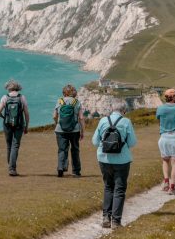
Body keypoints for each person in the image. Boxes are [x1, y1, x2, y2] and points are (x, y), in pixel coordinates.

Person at [92, 101, 137, 229]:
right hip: (122, 160)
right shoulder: (126, 122)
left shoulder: (103, 121)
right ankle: (116, 221)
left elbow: (95, 141)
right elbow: (133, 142)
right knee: (119, 189)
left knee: (108, 186)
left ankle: (106, 217)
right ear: (124, 110)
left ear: (112, 109)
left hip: (104, 159)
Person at [0, 79, 30, 176]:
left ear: (8, 88)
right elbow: (26, 114)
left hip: (7, 124)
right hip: (19, 124)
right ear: (18, 87)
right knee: (15, 145)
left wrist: (4, 118)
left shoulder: (4, 97)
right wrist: (26, 126)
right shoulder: (22, 97)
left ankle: (10, 167)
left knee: (9, 145)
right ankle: (12, 168)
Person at [156, 88, 175, 195]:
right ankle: (172, 188)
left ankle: (166, 182)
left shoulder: (160, 108)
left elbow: (159, 123)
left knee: (165, 160)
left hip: (163, 136)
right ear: (173, 97)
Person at [52, 84, 86, 177]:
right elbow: (81, 118)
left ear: (64, 93)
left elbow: (54, 116)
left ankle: (61, 167)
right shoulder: (76, 102)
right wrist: (82, 131)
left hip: (60, 130)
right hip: (74, 130)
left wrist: (57, 124)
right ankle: (76, 171)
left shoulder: (60, 101)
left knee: (62, 149)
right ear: (73, 92)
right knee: (75, 150)